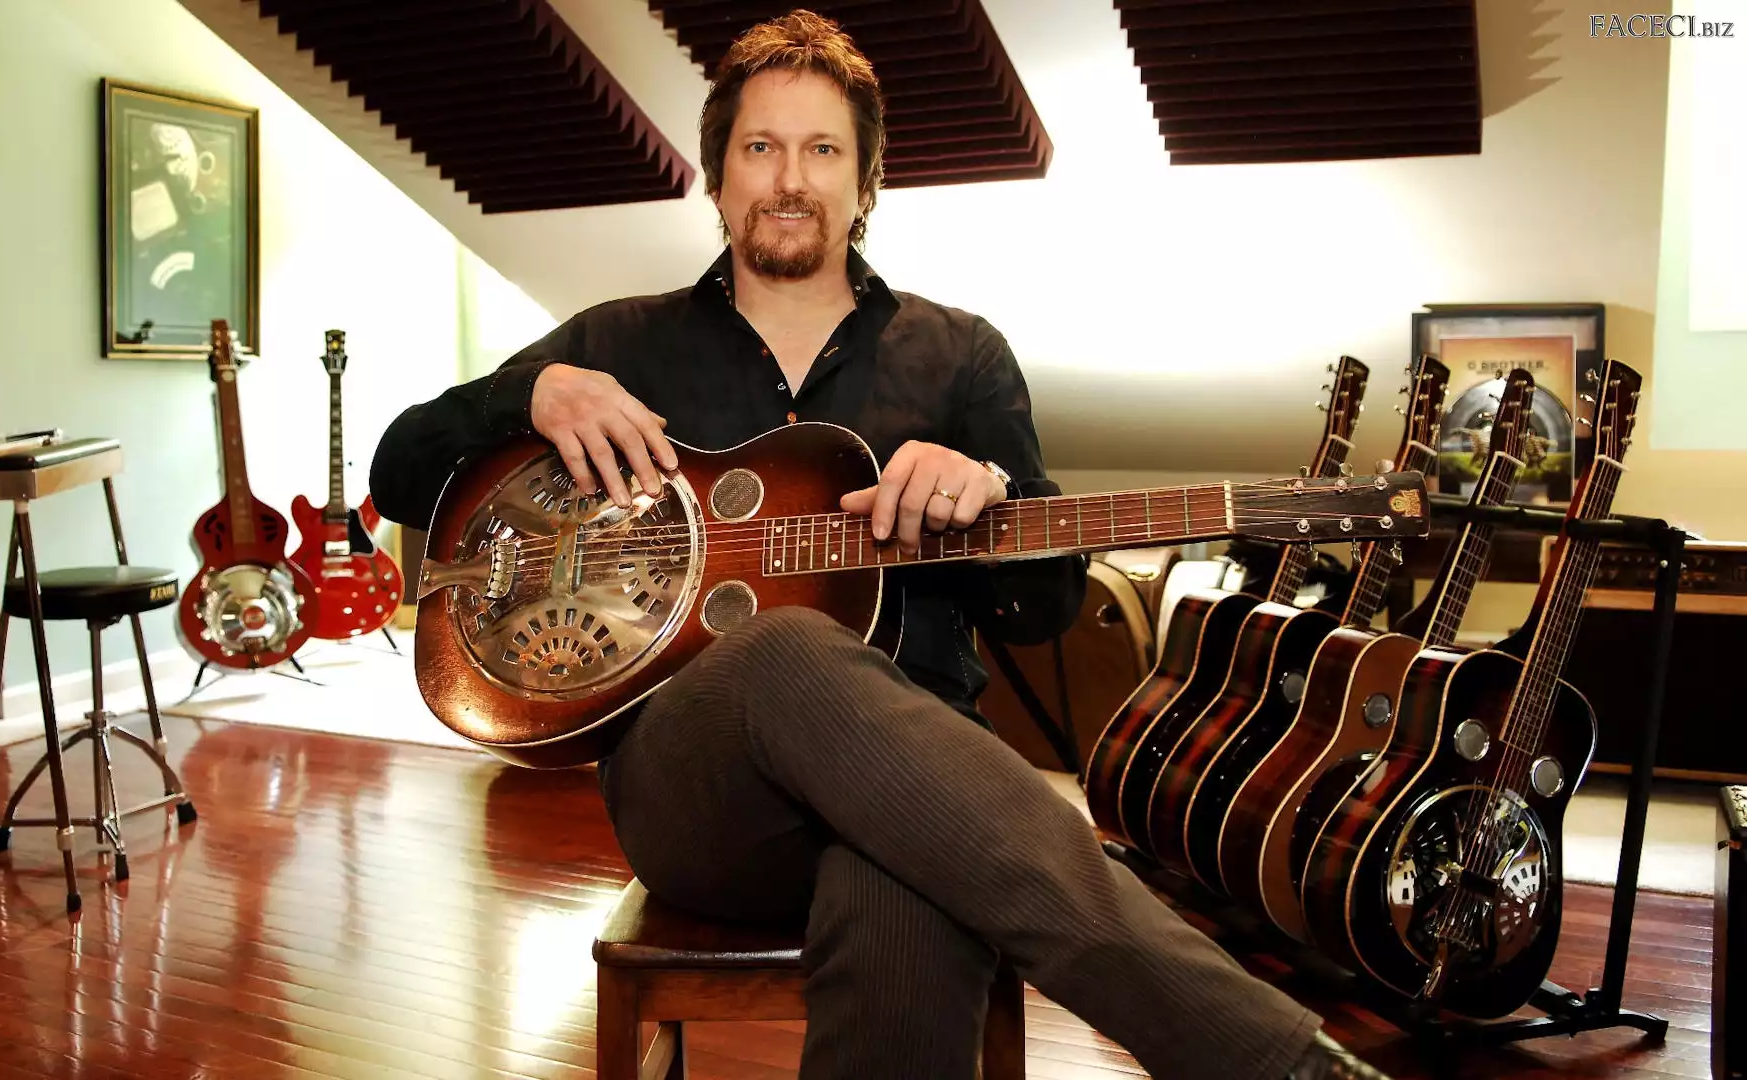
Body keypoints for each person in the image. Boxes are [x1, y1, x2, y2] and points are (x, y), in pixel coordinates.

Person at [371, 11, 1387, 1079]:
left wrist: (989, 498)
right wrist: (530, 391)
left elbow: (1044, 612)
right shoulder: (616, 344)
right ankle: (1262, 1056)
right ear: (717, 177)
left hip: (924, 788)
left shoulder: (961, 356)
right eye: (760, 148)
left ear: (866, 182)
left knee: (909, 877)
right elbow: (400, 469)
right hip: (703, 799)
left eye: (823, 150)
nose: (790, 179)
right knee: (784, 649)